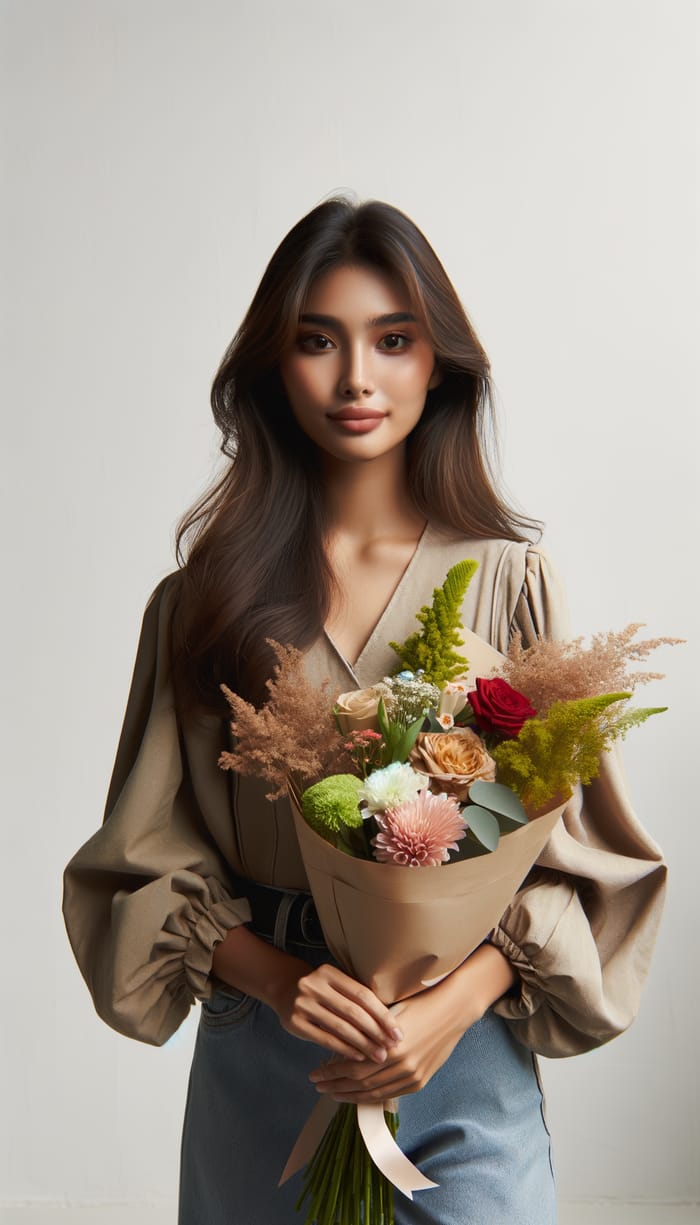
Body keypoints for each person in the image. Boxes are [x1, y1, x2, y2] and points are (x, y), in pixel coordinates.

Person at [63, 197, 666, 1225]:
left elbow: (573, 854)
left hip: (464, 1061)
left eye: (393, 340)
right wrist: (281, 980)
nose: (355, 378)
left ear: (440, 364)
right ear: (272, 367)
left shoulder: (509, 584)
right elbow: (147, 858)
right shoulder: (201, 604)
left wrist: (449, 1008)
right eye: (316, 342)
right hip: (264, 1054)